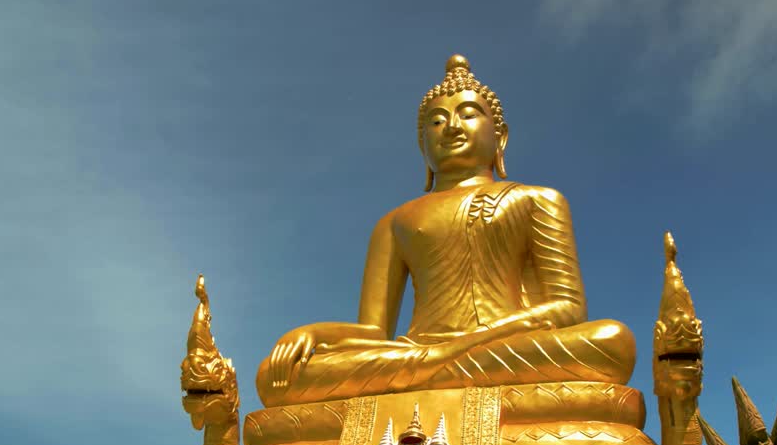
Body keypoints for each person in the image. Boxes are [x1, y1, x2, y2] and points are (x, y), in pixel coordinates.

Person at [255, 55, 635, 408]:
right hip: (416, 353)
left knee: (611, 342)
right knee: (278, 376)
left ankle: (432, 374)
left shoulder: (536, 199)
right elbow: (373, 331)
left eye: (469, 115)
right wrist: (313, 334)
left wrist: (471, 342)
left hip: (502, 347)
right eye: (436, 121)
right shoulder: (395, 222)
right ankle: (434, 371)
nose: (451, 126)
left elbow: (568, 308)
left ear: (500, 136)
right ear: (423, 145)